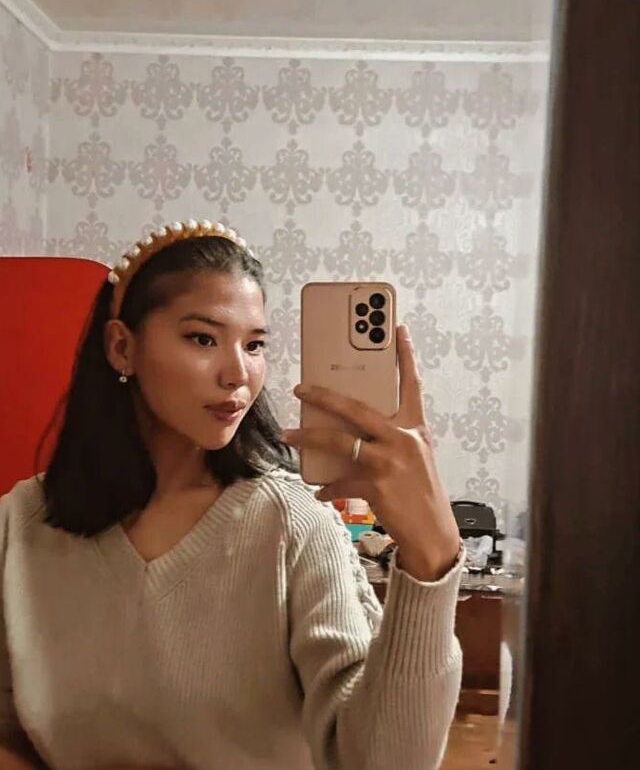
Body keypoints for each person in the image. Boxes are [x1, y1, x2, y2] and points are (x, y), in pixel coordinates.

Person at [0, 219, 463, 770]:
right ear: (122, 347)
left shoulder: (294, 524)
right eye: (203, 338)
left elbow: (385, 761)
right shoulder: (20, 523)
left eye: (255, 344)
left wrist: (431, 558)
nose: (238, 374)